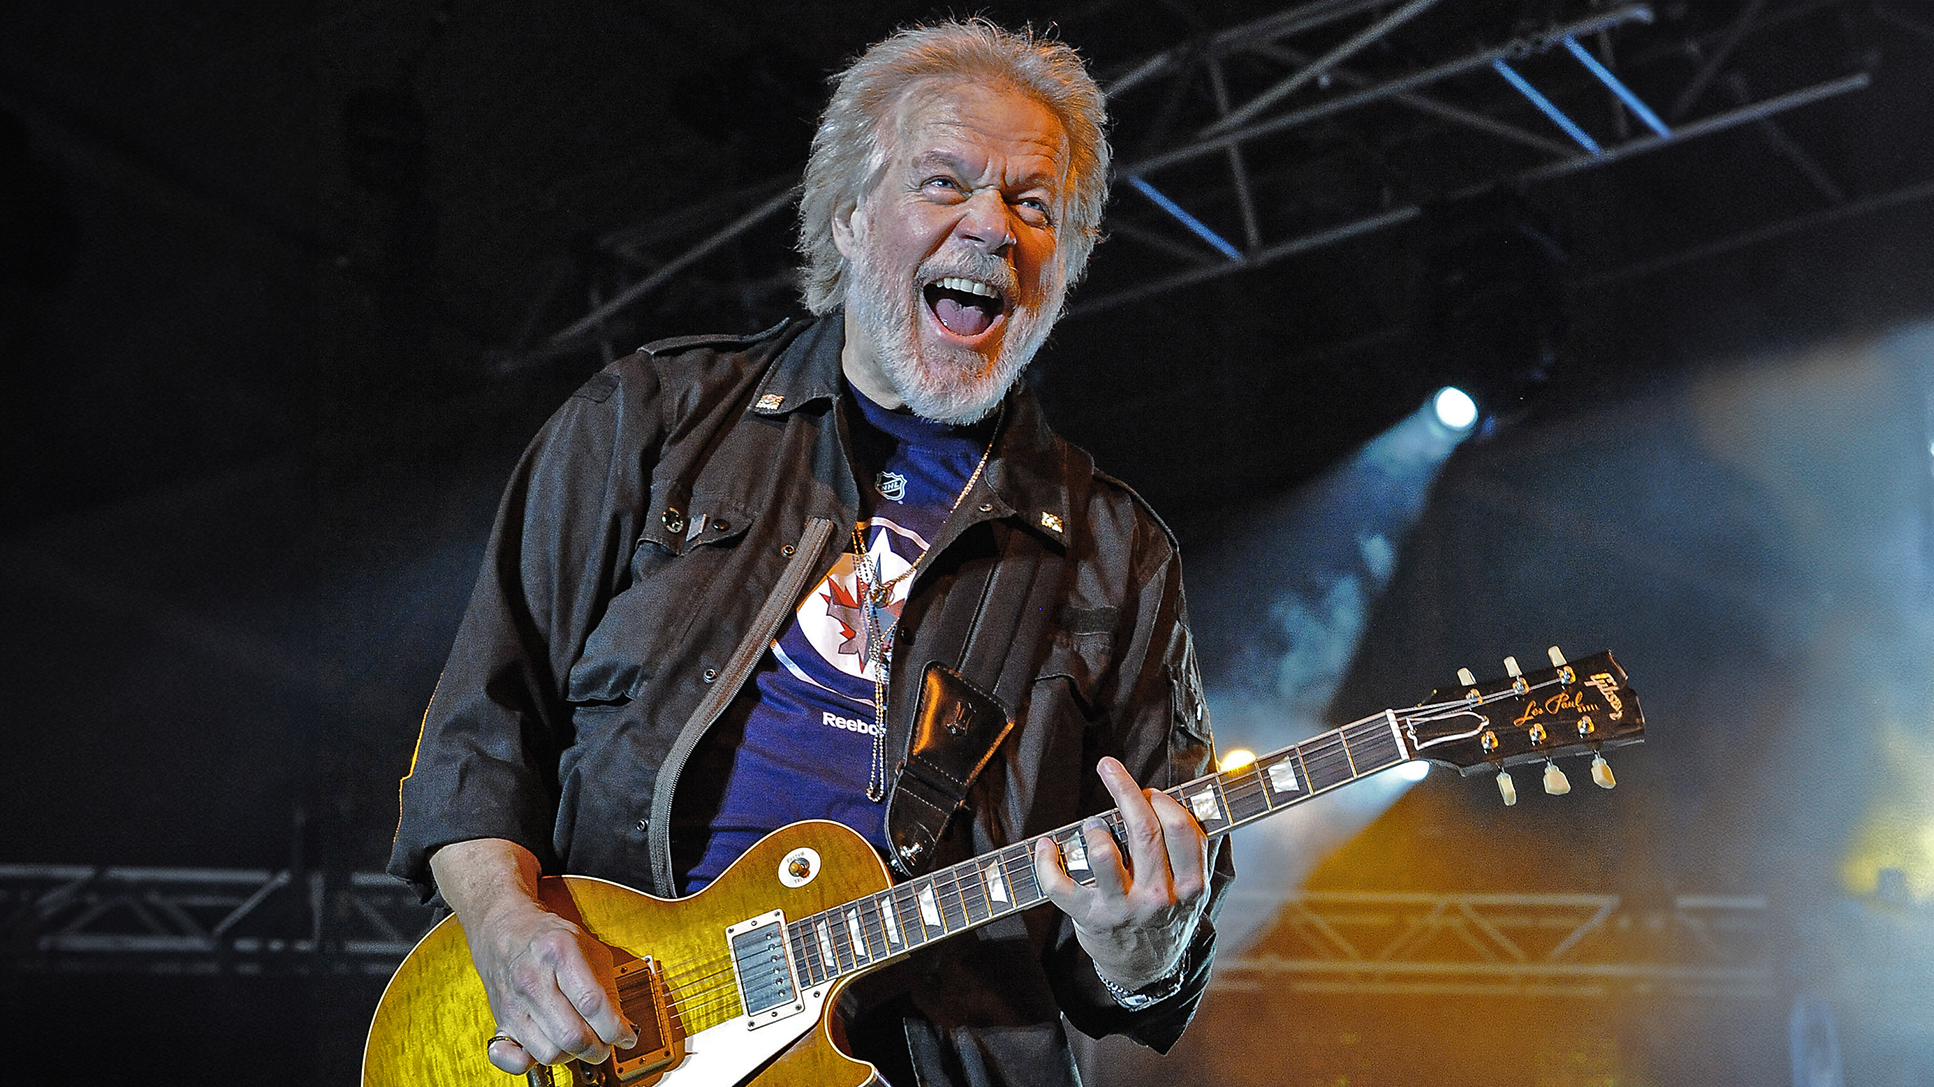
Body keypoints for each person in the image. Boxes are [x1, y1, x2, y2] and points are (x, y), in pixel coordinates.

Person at [389, 19, 1233, 1087]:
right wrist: (508, 929)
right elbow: (477, 736)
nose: (990, 226)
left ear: (1061, 268)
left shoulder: (1117, 554)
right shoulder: (648, 421)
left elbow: (1137, 968)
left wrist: (1142, 943)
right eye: (943, 183)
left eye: (1033, 204)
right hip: (606, 1037)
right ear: (844, 216)